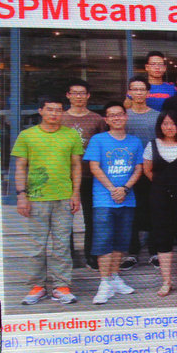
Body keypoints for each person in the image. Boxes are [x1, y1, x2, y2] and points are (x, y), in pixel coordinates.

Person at [12, 96, 83, 305]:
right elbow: (20, 167)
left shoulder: (71, 135)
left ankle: (61, 286)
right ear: (40, 110)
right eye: (50, 109)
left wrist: (75, 193)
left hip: (63, 197)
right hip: (37, 198)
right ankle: (38, 286)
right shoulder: (27, 135)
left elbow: (76, 166)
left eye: (58, 110)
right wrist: (21, 195)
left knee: (62, 244)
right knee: (37, 245)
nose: (54, 113)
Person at [84, 103, 144, 304]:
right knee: (103, 241)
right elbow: (94, 167)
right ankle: (104, 283)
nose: (116, 118)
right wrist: (112, 189)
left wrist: (125, 189)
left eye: (120, 114)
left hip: (127, 198)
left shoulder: (135, 141)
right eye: (112, 115)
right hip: (104, 199)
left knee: (121, 240)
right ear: (106, 119)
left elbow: (138, 168)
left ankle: (115, 277)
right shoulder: (98, 140)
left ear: (126, 117)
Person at [143, 109, 177, 297]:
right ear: (160, 126)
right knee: (162, 238)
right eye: (165, 123)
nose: (169, 127)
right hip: (159, 198)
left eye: (173, 123)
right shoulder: (152, 145)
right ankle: (166, 282)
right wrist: (162, 185)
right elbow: (147, 170)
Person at [60, 79, 106, 270]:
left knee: (91, 218)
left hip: (90, 175)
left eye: (82, 93)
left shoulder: (97, 119)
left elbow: (104, 145)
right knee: (64, 219)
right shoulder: (60, 118)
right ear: (68, 95)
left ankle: (91, 255)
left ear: (88, 96)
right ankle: (68, 256)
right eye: (74, 93)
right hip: (64, 176)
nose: (78, 96)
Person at [122, 75, 161, 271]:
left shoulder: (157, 116)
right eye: (134, 89)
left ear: (148, 93)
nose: (138, 93)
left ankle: (155, 252)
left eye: (142, 89)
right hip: (127, 172)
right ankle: (132, 252)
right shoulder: (123, 116)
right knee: (131, 212)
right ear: (129, 92)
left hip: (152, 170)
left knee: (154, 210)